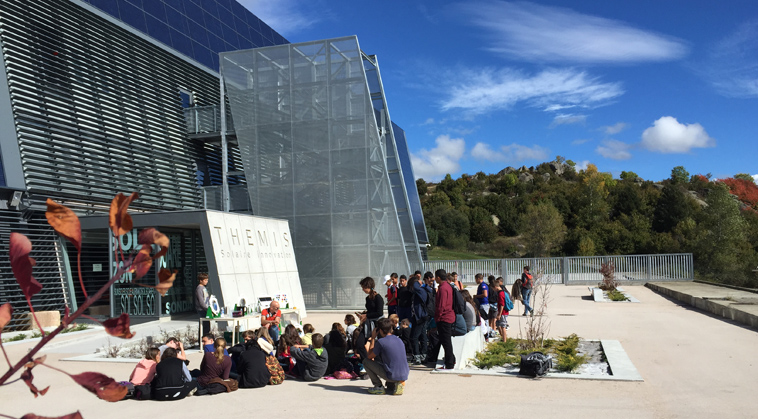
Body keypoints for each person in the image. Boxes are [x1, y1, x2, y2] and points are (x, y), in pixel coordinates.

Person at [364, 318, 410, 395]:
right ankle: (398, 383)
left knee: (365, 362)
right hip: (404, 374)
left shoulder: (381, 342)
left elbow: (369, 357)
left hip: (392, 375)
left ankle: (378, 386)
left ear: (380, 330)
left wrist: (372, 338)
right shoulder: (399, 340)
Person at [428, 269, 456, 370]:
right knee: (446, 340)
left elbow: (441, 305)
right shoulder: (448, 286)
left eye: (435, 277)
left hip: (444, 317)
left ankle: (449, 364)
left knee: (445, 341)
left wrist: (437, 317)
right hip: (447, 316)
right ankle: (451, 359)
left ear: (438, 277)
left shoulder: (443, 288)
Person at [410, 273, 429, 365]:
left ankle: (417, 356)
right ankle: (423, 355)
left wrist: (417, 281)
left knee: (414, 337)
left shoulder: (421, 290)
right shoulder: (418, 292)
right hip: (418, 316)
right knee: (422, 336)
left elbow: (415, 286)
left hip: (421, 317)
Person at [195, 273, 210, 337]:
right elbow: (201, 301)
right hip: (202, 310)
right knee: (204, 326)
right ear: (201, 280)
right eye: (205, 280)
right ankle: (201, 341)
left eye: (207, 280)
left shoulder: (204, 288)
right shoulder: (199, 289)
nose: (206, 281)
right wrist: (206, 309)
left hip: (206, 309)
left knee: (207, 326)